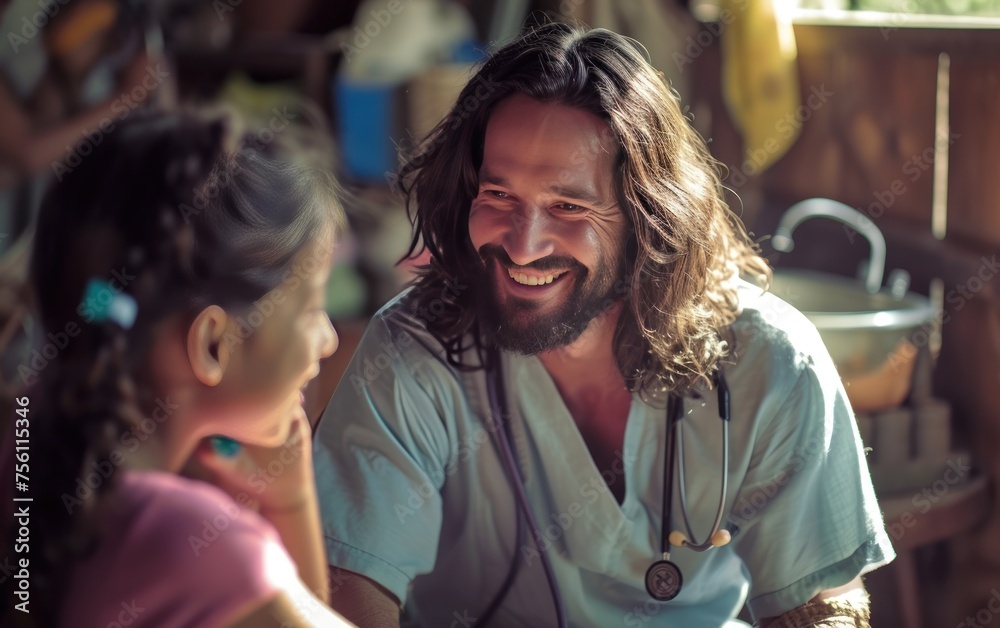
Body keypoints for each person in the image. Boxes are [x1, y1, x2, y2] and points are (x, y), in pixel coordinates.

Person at [312, 22, 895, 627]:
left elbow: (823, 604)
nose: (523, 244)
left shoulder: (768, 360)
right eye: (498, 195)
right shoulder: (412, 352)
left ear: (649, 216)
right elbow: (346, 587)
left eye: (568, 206)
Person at [0, 110, 352, 627]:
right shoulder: (212, 551)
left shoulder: (24, 432)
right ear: (213, 343)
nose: (329, 340)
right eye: (311, 309)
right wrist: (291, 501)